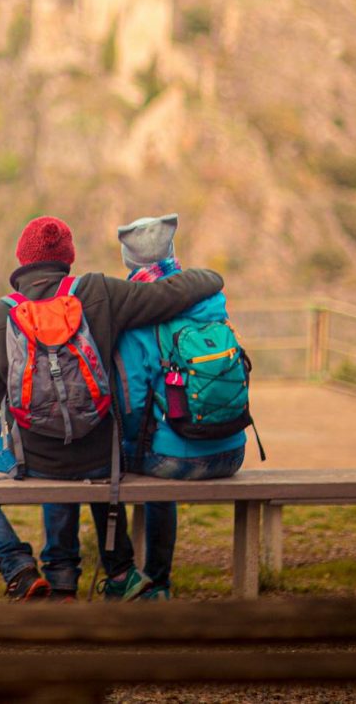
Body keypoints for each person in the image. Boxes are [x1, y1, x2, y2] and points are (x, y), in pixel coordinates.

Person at [0, 215, 225, 600]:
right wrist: (212, 277)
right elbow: (170, 295)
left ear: (21, 259)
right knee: (85, 456)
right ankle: (113, 573)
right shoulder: (99, 293)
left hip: (33, 458)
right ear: (68, 257)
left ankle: (19, 567)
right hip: (102, 457)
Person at [113, 213, 247, 600]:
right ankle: (158, 579)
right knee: (164, 445)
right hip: (232, 449)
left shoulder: (138, 316)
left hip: (180, 462)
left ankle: (152, 581)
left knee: (120, 463)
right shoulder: (210, 304)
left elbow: (133, 403)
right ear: (172, 252)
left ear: (129, 261)